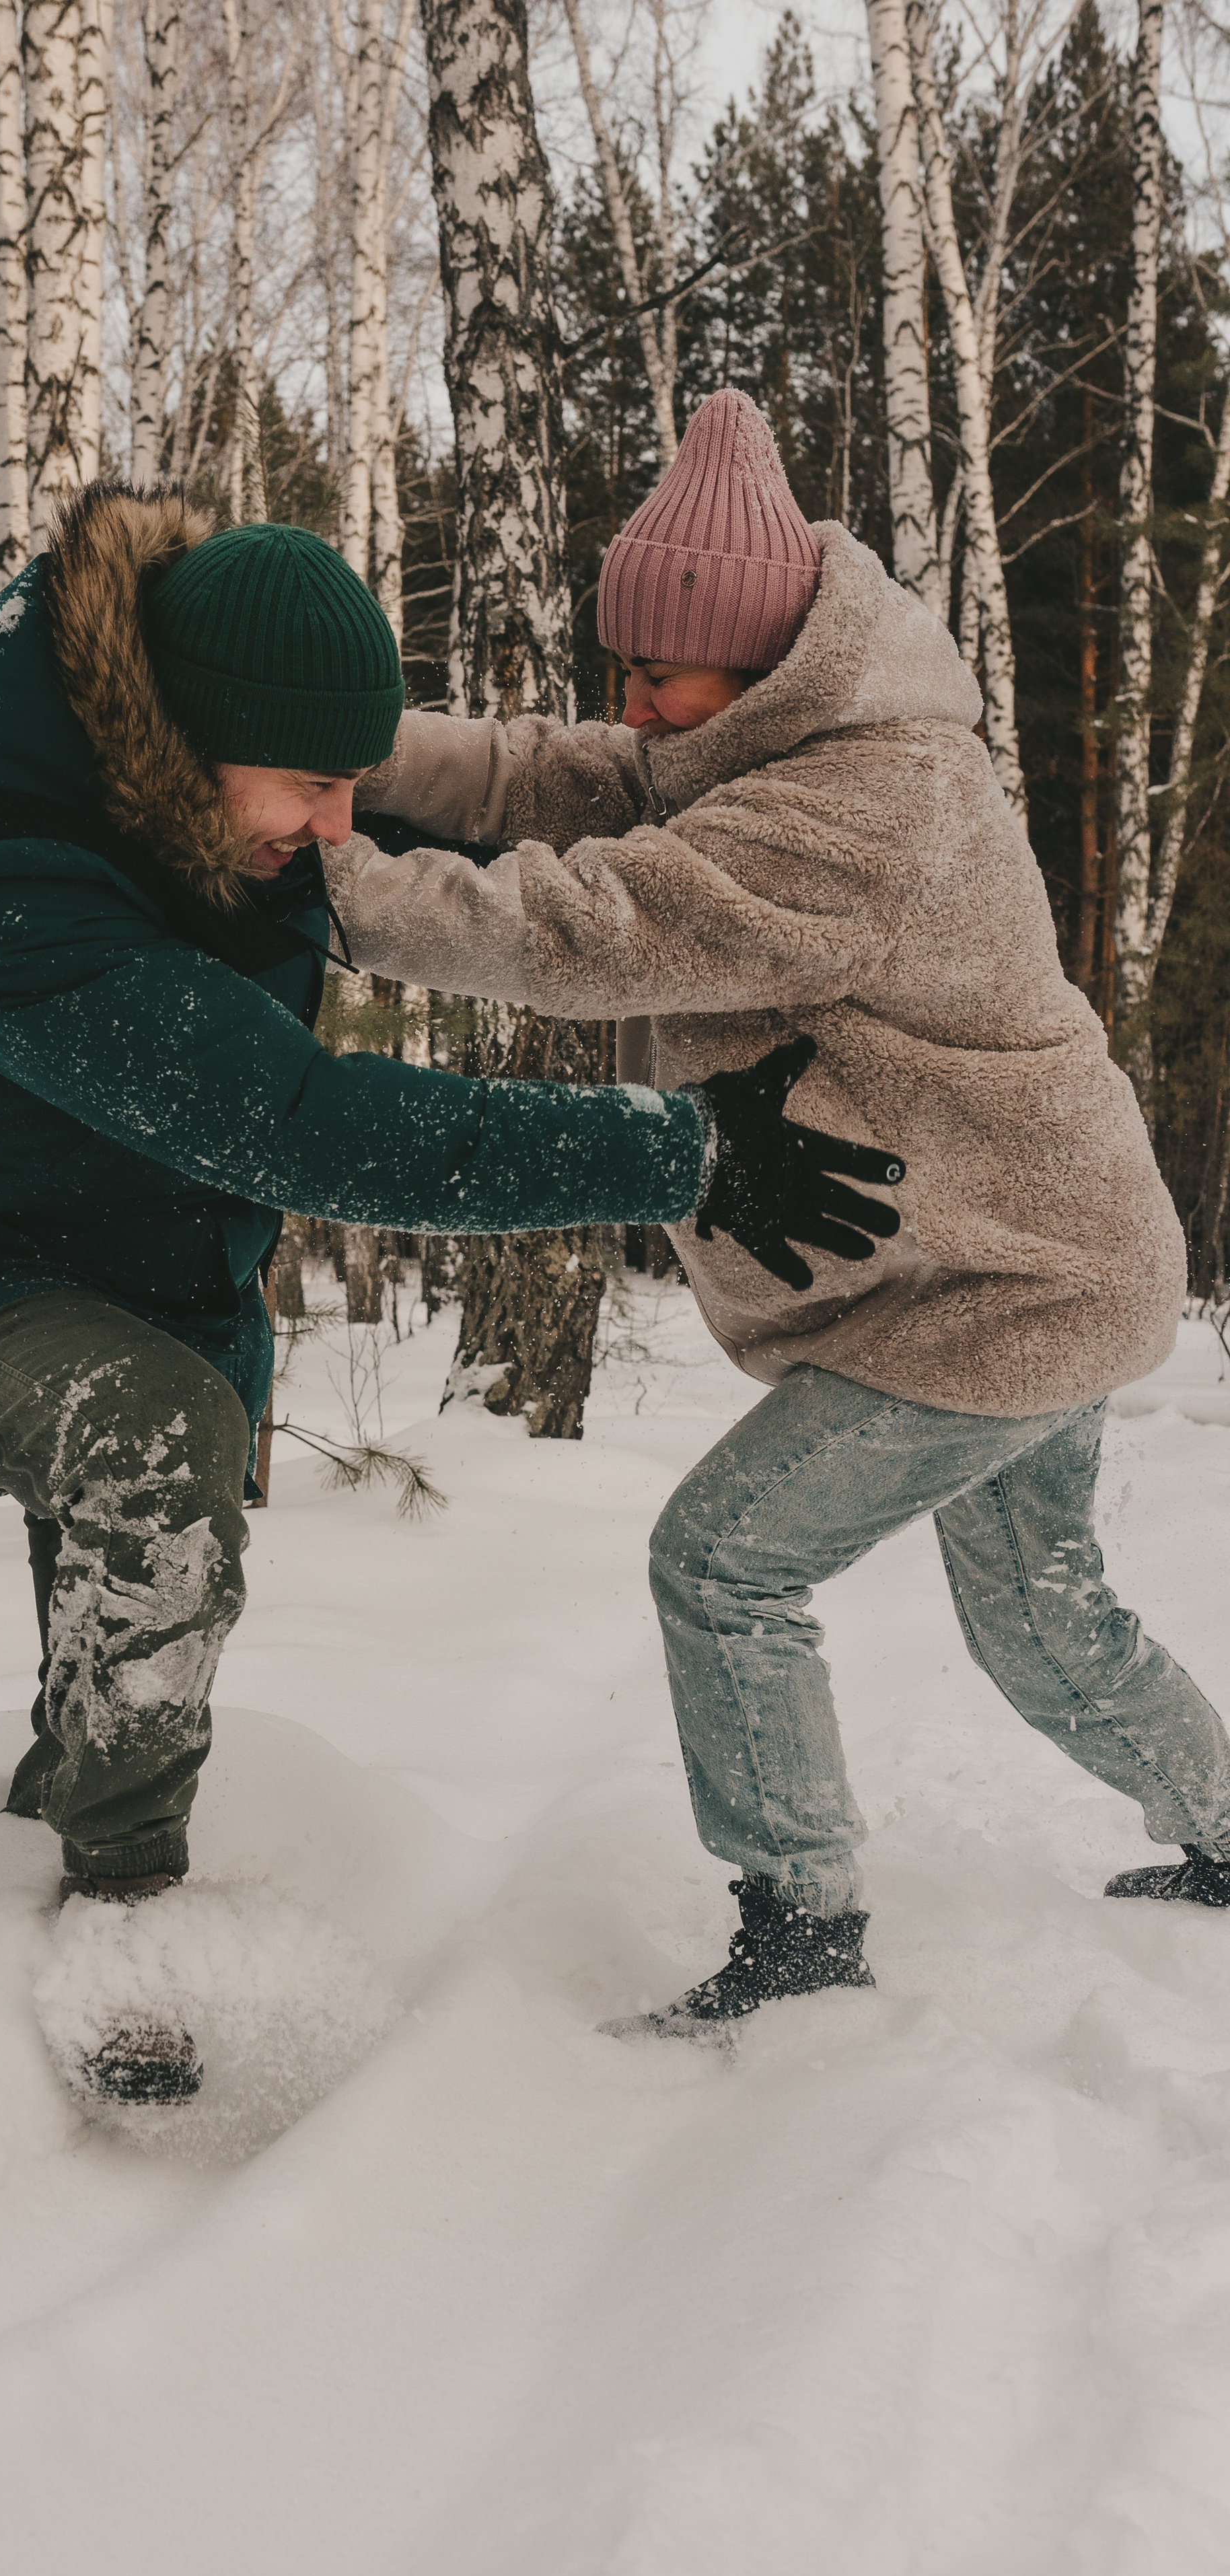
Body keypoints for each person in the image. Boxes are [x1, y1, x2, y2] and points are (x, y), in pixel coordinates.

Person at [0, 482, 902, 2100]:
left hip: (164, 1270)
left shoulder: (226, 788)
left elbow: (523, 812)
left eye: (353, 783)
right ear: (185, 747)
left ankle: (61, 1814)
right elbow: (299, 1121)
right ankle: (125, 1919)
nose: (340, 825)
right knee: (149, 1444)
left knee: (133, 1606)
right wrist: (672, 1153)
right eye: (316, 786)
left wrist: (781, 776)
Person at [333, 390, 1230, 2038]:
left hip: (1007, 1287)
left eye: (662, 674)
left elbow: (607, 923)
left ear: (762, 665)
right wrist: (362, 752)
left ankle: (800, 1929)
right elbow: (567, 773)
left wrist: (335, 884)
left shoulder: (867, 803)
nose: (635, 708)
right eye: (631, 674)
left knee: (724, 1562)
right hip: (1033, 1255)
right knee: (1044, 1616)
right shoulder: (749, 743)